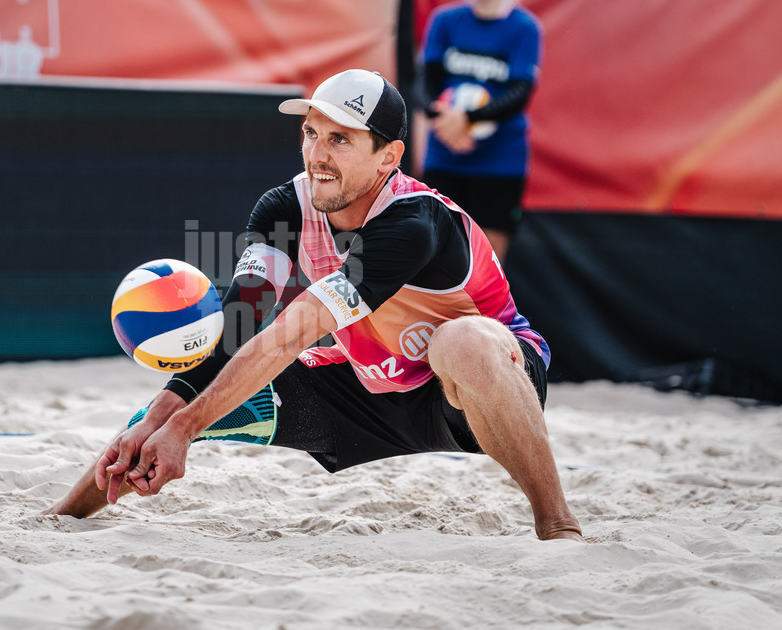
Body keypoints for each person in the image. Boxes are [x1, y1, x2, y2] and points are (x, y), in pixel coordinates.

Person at [42, 69, 583, 542]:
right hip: (366, 391)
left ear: (388, 157)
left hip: (472, 394)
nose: (318, 155)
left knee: (460, 340)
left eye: (340, 139)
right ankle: (61, 518)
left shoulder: (415, 222)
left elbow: (296, 328)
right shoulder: (284, 206)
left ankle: (559, 526)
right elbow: (239, 327)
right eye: (310, 133)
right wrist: (164, 416)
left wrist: (183, 427)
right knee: (167, 411)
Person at [417, 0, 540, 264]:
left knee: (489, 254)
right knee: (435, 250)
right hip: (446, 153)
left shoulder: (524, 28)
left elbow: (520, 94)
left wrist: (468, 118)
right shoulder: (444, 21)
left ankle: (484, 316)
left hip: (500, 160)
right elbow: (423, 84)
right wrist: (443, 121)